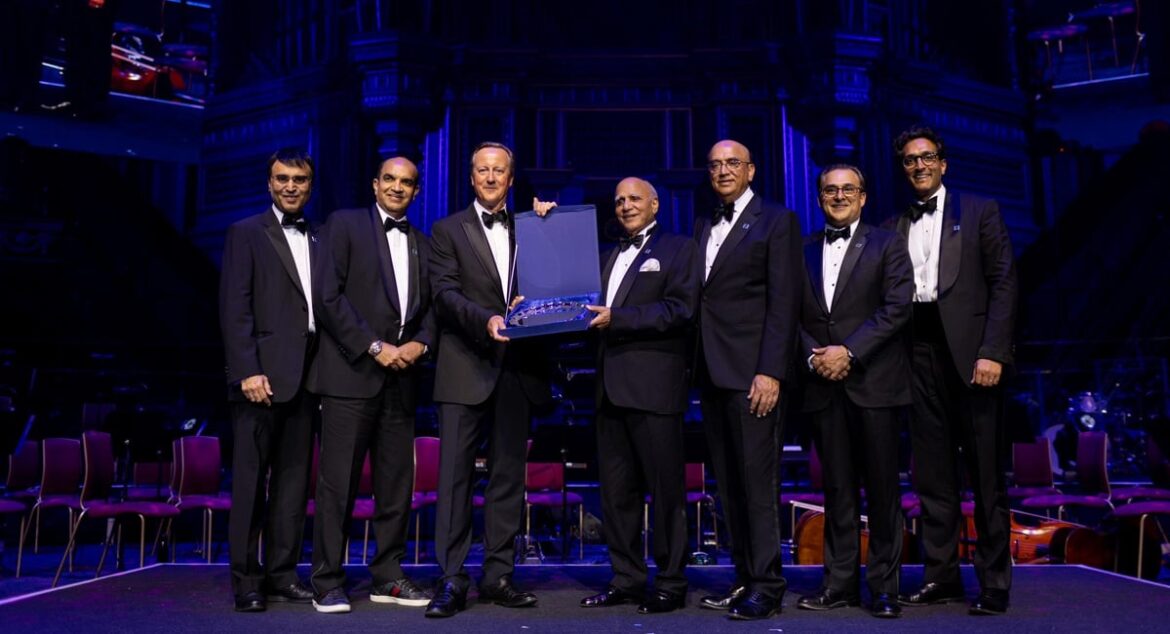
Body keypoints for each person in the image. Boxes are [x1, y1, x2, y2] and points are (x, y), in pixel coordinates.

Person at [889, 126, 1017, 616]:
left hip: (972, 356)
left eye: (926, 157)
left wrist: (993, 351)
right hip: (915, 354)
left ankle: (994, 582)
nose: (918, 166)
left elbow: (1004, 283)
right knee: (933, 477)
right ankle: (940, 576)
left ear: (944, 163)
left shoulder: (979, 211)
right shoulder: (893, 223)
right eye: (908, 160)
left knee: (986, 476)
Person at [425, 142, 556, 618]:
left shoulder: (534, 227)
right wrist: (486, 320)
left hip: (518, 372)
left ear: (512, 178)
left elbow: (562, 279)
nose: (490, 177)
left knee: (507, 481)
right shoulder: (446, 230)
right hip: (465, 368)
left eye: (499, 170)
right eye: (482, 169)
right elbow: (443, 294)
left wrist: (552, 226)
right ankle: (452, 578)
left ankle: (498, 575)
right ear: (472, 176)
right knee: (455, 480)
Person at [307, 157, 435, 613]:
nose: (398, 188)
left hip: (402, 381)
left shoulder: (422, 241)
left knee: (396, 486)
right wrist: (375, 346)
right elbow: (327, 297)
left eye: (407, 183)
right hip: (351, 375)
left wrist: (421, 344)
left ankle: (388, 576)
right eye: (390, 180)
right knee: (337, 485)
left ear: (416, 192)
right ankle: (326, 580)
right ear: (375, 183)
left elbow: (431, 310)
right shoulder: (344, 224)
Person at [794, 164, 913, 618]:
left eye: (847, 189)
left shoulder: (887, 243)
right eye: (830, 189)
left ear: (863, 197)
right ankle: (839, 583)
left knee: (883, 492)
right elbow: (791, 316)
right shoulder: (802, 249)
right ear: (819, 196)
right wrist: (813, 356)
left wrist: (849, 352)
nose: (838, 196)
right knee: (837, 491)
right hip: (822, 386)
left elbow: (897, 308)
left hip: (874, 383)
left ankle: (884, 587)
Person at [579, 177, 701, 614]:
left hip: (654, 391)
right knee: (617, 495)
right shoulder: (607, 254)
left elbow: (682, 309)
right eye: (619, 201)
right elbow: (578, 305)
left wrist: (619, 317)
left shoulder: (680, 248)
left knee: (665, 494)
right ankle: (627, 578)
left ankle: (671, 580)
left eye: (634, 199)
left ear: (655, 205)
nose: (626, 206)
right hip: (609, 392)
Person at [695, 139, 803, 620]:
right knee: (729, 485)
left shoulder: (777, 221)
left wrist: (771, 371)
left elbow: (784, 303)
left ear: (751, 170)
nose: (722, 171)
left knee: (758, 485)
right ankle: (743, 577)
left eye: (732, 163)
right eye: (715, 164)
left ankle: (769, 584)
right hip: (713, 375)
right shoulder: (703, 223)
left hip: (754, 375)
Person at [219, 148, 318, 612]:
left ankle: (281, 574)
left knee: (293, 487)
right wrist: (246, 371)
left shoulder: (319, 236)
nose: (291, 186)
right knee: (250, 485)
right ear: (269, 183)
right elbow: (234, 308)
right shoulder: (246, 233)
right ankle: (246, 580)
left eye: (299, 179)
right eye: (282, 179)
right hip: (259, 380)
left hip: (305, 380)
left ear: (310, 185)